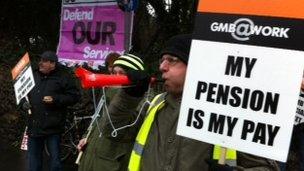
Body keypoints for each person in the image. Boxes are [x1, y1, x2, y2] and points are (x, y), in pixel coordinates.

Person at [101, 34, 280, 171]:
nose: (162, 66)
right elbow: (112, 133)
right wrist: (129, 96)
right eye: (162, 60)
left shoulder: (228, 112)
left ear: (196, 66)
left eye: (172, 60)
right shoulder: (154, 104)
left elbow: (266, 167)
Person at [77, 53, 147, 171]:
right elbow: (98, 120)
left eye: (122, 73)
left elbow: (119, 131)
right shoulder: (107, 94)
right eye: (114, 73)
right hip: (91, 159)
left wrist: (121, 93)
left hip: (111, 164)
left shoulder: (141, 103)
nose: (116, 77)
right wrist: (86, 137)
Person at [21, 51, 80, 171]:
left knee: (55, 163)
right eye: (40, 60)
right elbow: (22, 93)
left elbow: (74, 96)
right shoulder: (32, 75)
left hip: (53, 127)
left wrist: (56, 99)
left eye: (44, 61)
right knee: (33, 161)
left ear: (52, 64)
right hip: (34, 125)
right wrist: (23, 104)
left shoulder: (63, 77)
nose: (40, 63)